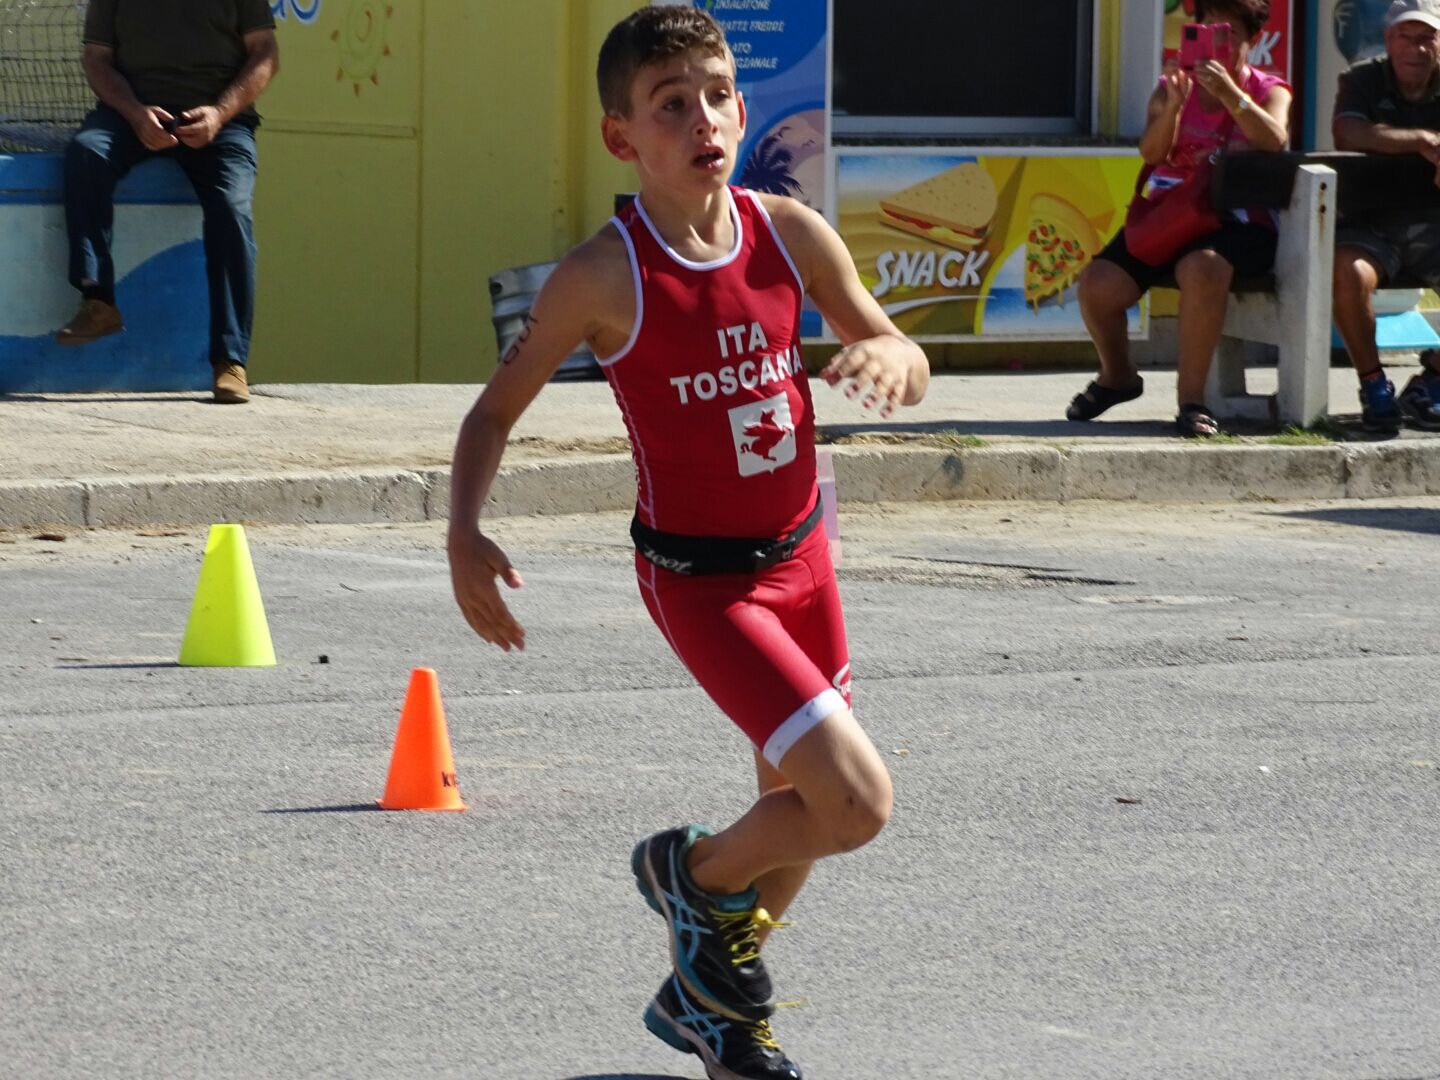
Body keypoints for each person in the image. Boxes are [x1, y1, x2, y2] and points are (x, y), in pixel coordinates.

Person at [446, 9, 928, 1077]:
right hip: (704, 584)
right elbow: (491, 414)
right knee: (854, 805)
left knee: (797, 817)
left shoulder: (789, 230)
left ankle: (714, 1017)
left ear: (741, 109)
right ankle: (690, 875)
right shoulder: (601, 275)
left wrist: (895, 359)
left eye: (716, 93)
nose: (702, 117)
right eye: (672, 103)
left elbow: (886, 334)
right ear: (624, 137)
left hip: (804, 557)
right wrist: (464, 532)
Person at [1066, 0, 1291, 437]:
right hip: (1172, 212)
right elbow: (1151, 153)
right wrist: (1172, 108)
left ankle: (1192, 402)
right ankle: (1118, 377)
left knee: (1201, 268)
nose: (1214, 40)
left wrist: (1230, 94)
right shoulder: (1171, 86)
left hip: (1238, 219)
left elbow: (1275, 139)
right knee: (1097, 284)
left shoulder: (1269, 89)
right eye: (1205, 28)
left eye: (1226, 32)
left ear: (1252, 39)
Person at [53, 0, 280, 405]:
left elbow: (265, 53)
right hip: (129, 116)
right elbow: (97, 59)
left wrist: (219, 114)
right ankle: (98, 300)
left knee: (231, 208)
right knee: (87, 154)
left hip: (221, 122)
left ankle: (230, 361)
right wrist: (135, 113)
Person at [1332, 0, 1440, 432]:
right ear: (1388, 39)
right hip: (1370, 222)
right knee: (1348, 273)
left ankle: (1431, 379)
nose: (1416, 48)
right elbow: (1346, 132)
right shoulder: (1360, 79)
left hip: (1434, 224)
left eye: (1426, 37)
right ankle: (1374, 385)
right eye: (1405, 37)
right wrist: (1421, 140)